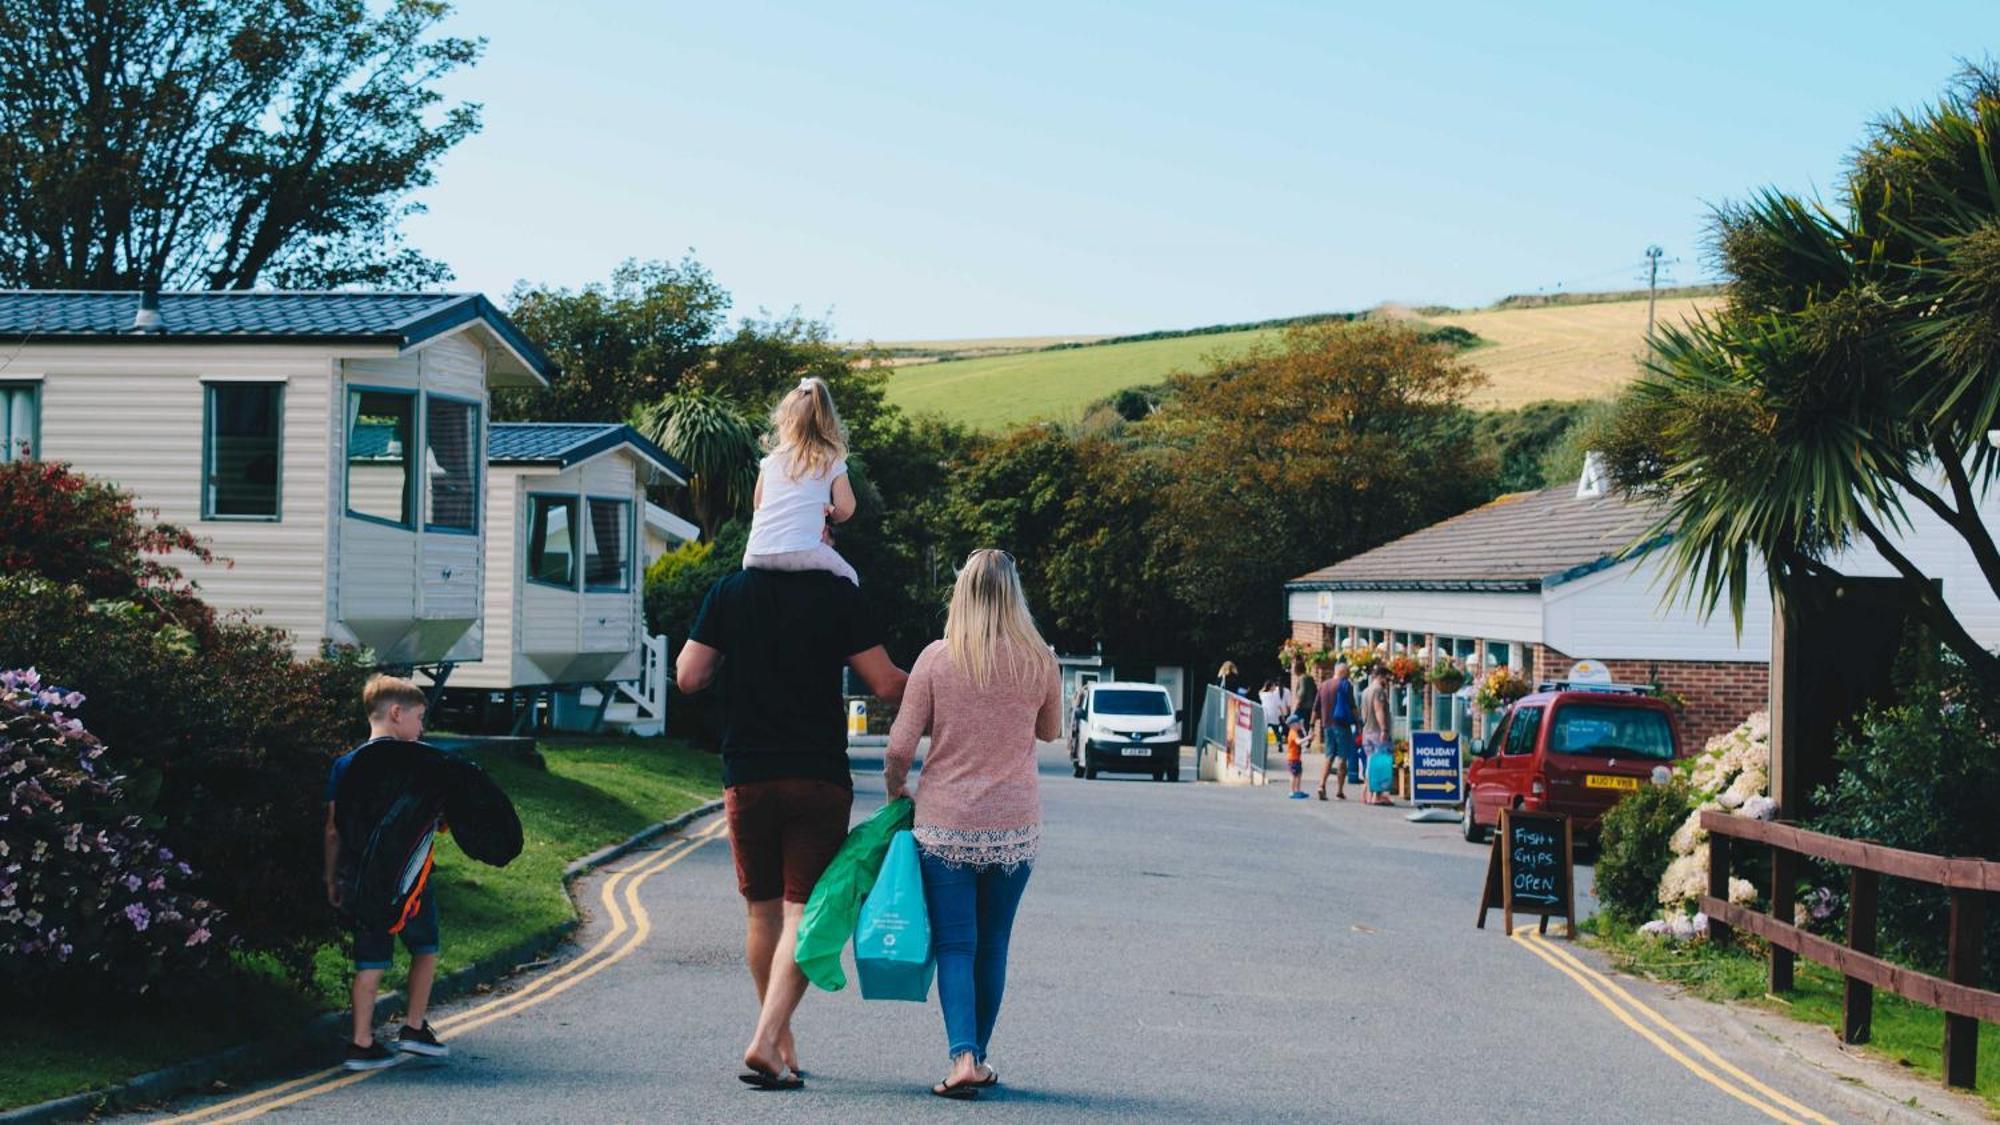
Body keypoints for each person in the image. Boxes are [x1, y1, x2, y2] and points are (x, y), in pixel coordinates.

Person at [676, 563, 909, 1091]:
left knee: (761, 911)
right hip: (816, 775)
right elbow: (886, 682)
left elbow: (689, 676)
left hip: (748, 773)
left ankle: (778, 1039)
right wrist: (953, 691)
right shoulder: (837, 593)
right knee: (805, 911)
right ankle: (767, 1038)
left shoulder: (729, 591)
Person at [884, 549, 1060, 1100]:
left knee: (956, 944)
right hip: (1014, 823)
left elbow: (897, 747)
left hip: (945, 822)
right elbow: (1051, 732)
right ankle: (976, 1059)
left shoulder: (937, 659)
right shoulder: (1040, 658)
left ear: (961, 594)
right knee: (994, 944)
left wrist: (898, 791)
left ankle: (962, 1056)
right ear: (1015, 596)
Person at [323, 674, 448, 1071]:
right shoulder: (422, 762)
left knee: (370, 961)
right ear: (397, 713)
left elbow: (332, 829)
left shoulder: (346, 765)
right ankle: (413, 1027)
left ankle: (361, 1043)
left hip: (364, 881)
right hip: (411, 883)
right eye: (419, 717)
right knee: (425, 949)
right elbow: (437, 819)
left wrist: (332, 877)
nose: (422, 727)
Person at [741, 377, 860, 584]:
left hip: (754, 555)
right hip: (801, 552)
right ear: (827, 422)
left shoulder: (770, 461)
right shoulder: (831, 459)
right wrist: (831, 510)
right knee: (850, 577)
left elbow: (757, 505)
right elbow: (846, 509)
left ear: (784, 421)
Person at [1316, 662, 1359, 801]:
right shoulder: (1345, 685)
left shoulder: (1323, 685)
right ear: (1343, 672)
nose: (1349, 675)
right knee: (1342, 757)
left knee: (1329, 756)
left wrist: (1311, 725)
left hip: (1327, 725)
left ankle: (1321, 785)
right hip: (1342, 724)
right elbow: (1352, 706)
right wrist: (1358, 723)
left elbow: (1315, 707)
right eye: (1347, 672)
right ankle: (1339, 790)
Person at [1360, 668, 1394, 806]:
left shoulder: (1365, 691)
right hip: (1377, 732)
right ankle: (1377, 796)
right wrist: (1384, 729)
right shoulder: (1378, 690)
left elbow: (1363, 713)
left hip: (1367, 731)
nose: (1388, 682)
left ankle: (1366, 793)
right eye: (1387, 678)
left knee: (1370, 763)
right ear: (1381, 677)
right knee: (1380, 764)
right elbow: (1378, 709)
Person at [1258, 678, 1290, 754]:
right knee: (1276, 731)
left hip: (1265, 716)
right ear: (1270, 687)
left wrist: (1265, 687)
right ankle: (1279, 744)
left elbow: (1260, 692)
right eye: (1273, 686)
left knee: (1264, 731)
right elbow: (1279, 706)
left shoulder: (1263, 695)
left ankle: (1262, 744)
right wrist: (1282, 715)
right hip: (1274, 716)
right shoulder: (1275, 695)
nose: (1275, 687)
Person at [1284, 717, 1307, 799]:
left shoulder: (1296, 732)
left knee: (1299, 774)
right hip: (1292, 758)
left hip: (1296, 757)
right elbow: (1298, 742)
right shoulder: (1293, 733)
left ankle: (1298, 790)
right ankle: (1292, 791)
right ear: (1293, 725)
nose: (1300, 725)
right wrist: (1307, 738)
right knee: (1294, 775)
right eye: (1298, 723)